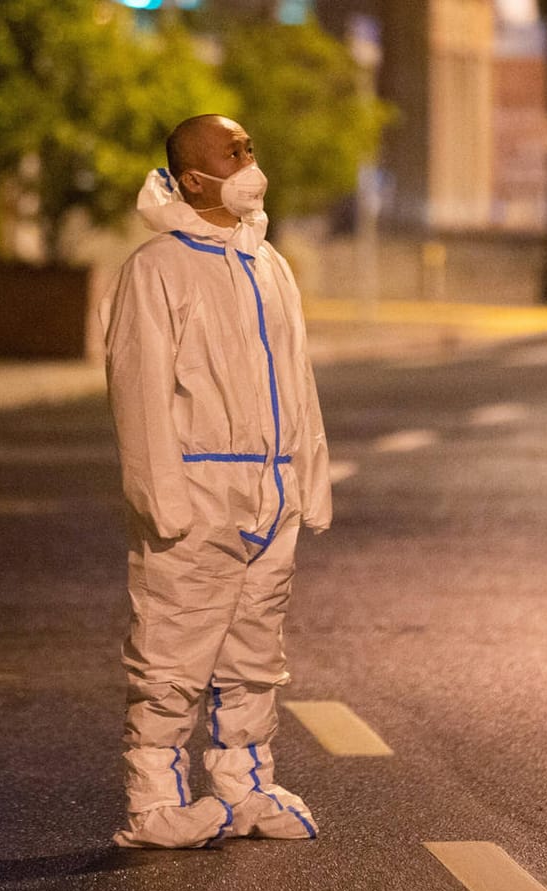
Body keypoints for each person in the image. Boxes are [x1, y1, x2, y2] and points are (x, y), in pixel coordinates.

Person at [100, 114, 332, 849]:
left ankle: (245, 786)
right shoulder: (156, 269)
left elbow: (298, 379)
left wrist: (309, 476)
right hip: (196, 490)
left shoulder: (269, 263)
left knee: (255, 650)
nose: (248, 159)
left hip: (271, 488)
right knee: (172, 651)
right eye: (233, 152)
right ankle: (154, 801)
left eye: (249, 147)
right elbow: (137, 388)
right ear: (193, 177)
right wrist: (159, 493)